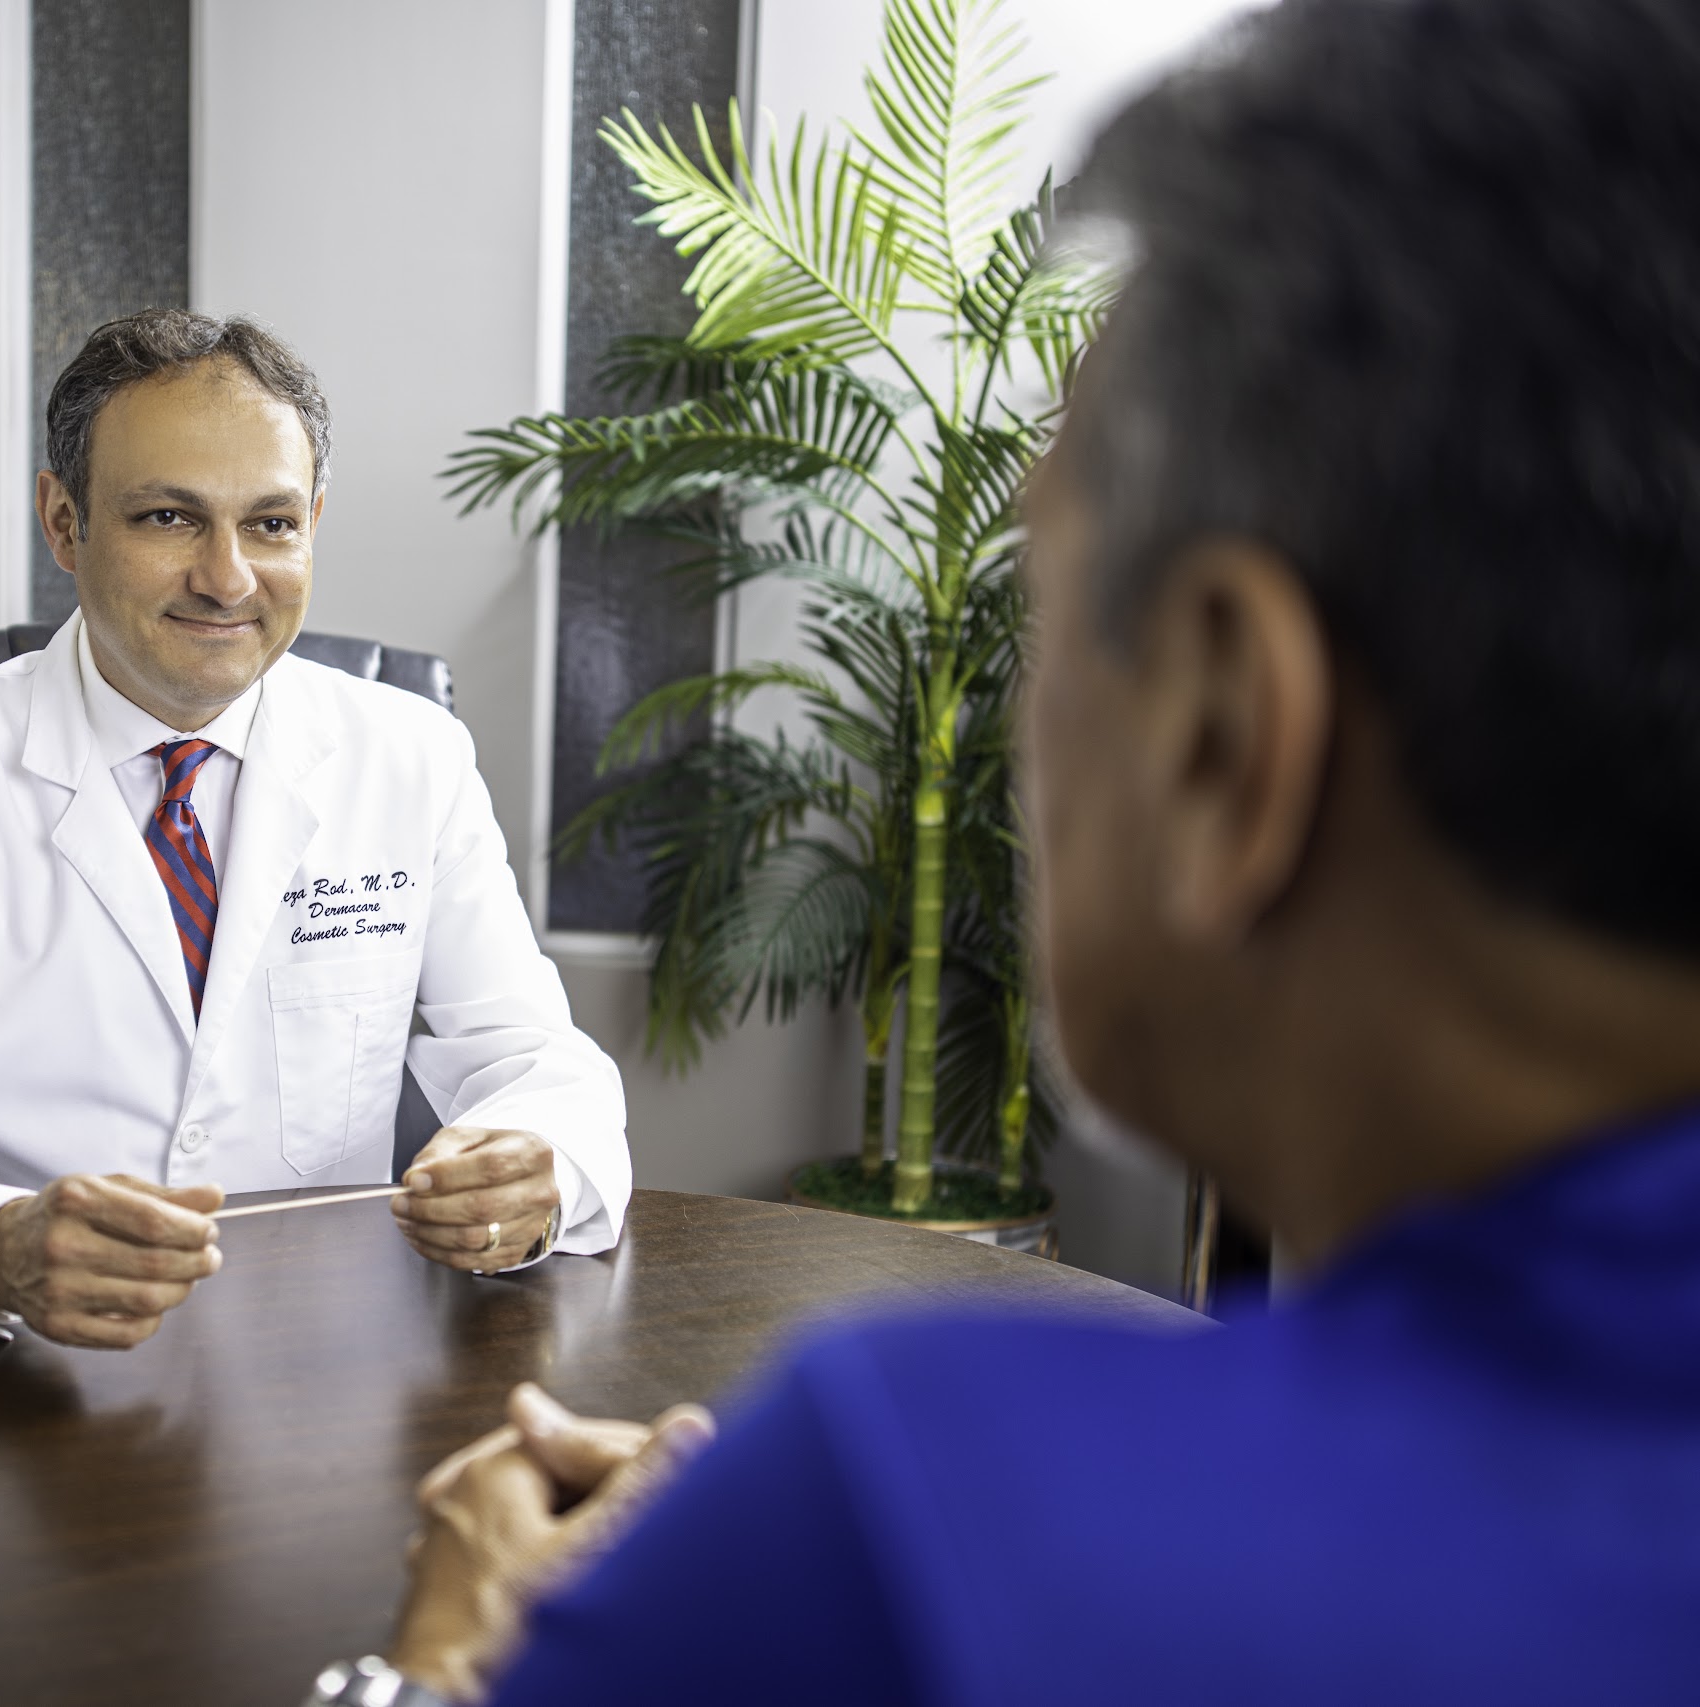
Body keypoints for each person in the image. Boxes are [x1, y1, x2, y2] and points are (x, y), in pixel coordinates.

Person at [319, 0, 1700, 1701]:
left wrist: (445, 1657)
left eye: (1039, 614)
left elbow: (541, 1069)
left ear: (1222, 727)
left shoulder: (914, 1518)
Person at [0, 310, 629, 1347]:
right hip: (20, 1368)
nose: (227, 578)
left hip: (318, 1366)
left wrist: (537, 1165)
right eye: (167, 518)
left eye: (271, 523)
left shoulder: (413, 757)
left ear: (314, 523)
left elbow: (538, 1063)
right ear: (64, 523)